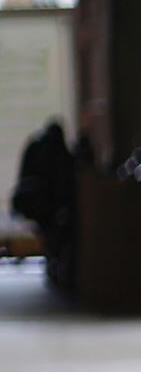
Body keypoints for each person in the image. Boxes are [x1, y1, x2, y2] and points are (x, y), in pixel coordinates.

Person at [9, 118, 77, 299]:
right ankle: (54, 260)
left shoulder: (36, 148)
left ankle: (53, 259)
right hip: (46, 204)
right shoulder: (58, 154)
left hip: (33, 202)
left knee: (52, 232)